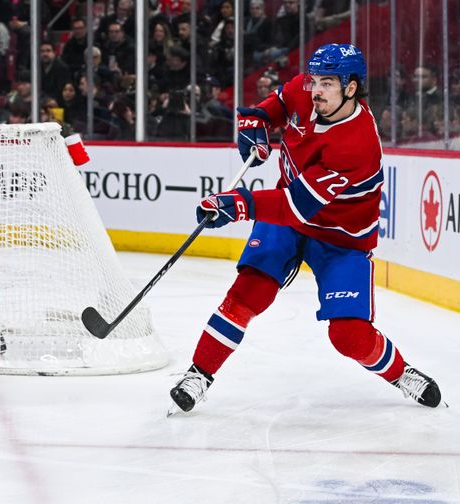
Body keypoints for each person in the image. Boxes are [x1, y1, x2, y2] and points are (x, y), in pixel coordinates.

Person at [168, 44, 443, 414]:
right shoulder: (307, 89)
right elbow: (276, 106)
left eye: (327, 83)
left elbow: (297, 205)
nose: (316, 90)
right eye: (315, 80)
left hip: (340, 238)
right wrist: (257, 124)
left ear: (351, 88)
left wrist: (241, 204)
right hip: (288, 223)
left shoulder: (356, 143)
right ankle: (199, 374)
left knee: (349, 336)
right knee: (247, 293)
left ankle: (400, 372)